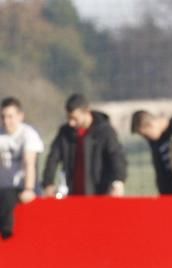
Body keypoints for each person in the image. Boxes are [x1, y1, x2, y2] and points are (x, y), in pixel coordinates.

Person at [42, 93, 126, 197]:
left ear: (86, 112)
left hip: (99, 192)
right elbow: (53, 157)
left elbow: (116, 156)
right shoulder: (65, 133)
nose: (71, 123)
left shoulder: (105, 132)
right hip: (72, 192)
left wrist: (118, 181)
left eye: (75, 118)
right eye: (69, 118)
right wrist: (48, 182)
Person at [0, 97, 44, 240]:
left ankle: (6, 233)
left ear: (20, 116)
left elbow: (29, 163)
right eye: (3, 117)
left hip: (21, 187)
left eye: (10, 116)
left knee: (7, 196)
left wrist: (29, 189)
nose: (6, 121)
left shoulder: (28, 135)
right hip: (3, 187)